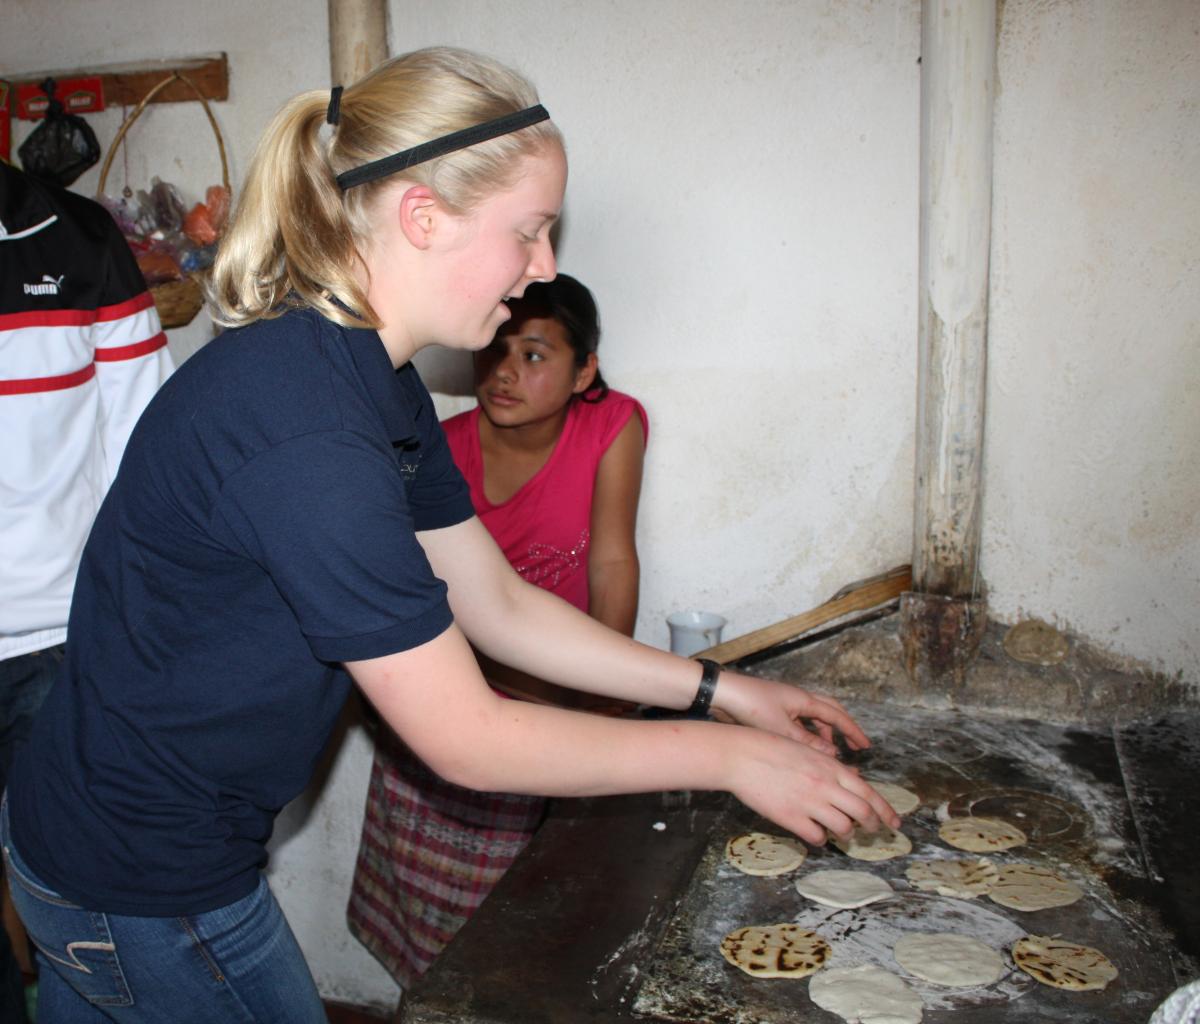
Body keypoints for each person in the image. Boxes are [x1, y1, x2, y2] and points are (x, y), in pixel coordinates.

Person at [2, 47, 897, 1024]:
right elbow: (467, 737)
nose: (545, 266)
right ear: (423, 217)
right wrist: (725, 760)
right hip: (140, 878)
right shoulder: (305, 432)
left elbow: (497, 602)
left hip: (106, 840)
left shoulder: (373, 380)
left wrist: (725, 693)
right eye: (530, 230)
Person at [347, 273, 647, 986]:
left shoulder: (614, 424)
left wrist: (602, 696)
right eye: (497, 351)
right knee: (444, 937)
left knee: (547, 925)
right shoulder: (433, 446)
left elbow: (611, 559)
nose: (506, 373)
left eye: (536, 355)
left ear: (585, 373)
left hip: (566, 695)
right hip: (452, 704)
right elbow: (424, 610)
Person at [0, 159, 174, 1023]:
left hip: (56, 640)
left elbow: (144, 447)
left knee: (82, 902)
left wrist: (133, 630)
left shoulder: (78, 240)